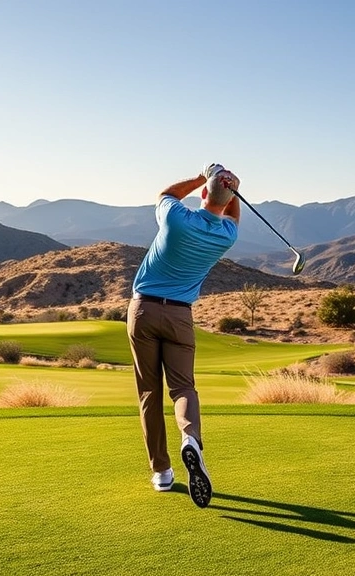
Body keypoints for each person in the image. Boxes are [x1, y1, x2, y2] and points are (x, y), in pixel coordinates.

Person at [127, 163, 241, 508]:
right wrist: (231, 186)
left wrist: (201, 176)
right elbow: (232, 215)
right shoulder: (226, 236)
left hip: (143, 311)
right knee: (183, 388)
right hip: (180, 316)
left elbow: (166, 194)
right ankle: (190, 437)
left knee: (149, 391)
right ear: (230, 197)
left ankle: (162, 472)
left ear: (204, 193)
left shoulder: (176, 218)